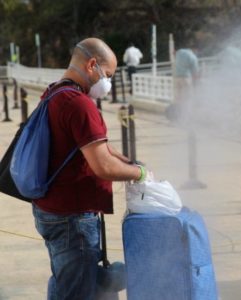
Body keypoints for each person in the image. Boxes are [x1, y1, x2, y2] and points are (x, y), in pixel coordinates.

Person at [32, 37, 150, 300]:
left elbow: (97, 147)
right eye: (107, 74)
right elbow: (102, 165)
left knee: (67, 279)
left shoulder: (54, 93)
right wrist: (139, 174)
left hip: (50, 208)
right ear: (92, 65)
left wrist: (128, 162)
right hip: (72, 217)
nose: (107, 82)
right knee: (77, 291)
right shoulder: (79, 104)